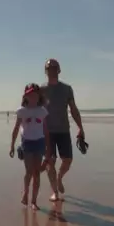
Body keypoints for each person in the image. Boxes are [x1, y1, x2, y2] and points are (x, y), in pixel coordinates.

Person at [41, 59, 85, 202]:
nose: (52, 70)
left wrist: (80, 128)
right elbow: (34, 110)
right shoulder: (41, 90)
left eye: (54, 68)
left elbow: (73, 109)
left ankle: (59, 177)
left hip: (63, 130)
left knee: (68, 160)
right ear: (45, 71)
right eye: (49, 68)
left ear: (59, 70)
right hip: (47, 132)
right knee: (50, 162)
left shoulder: (67, 89)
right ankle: (55, 192)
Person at [9, 83, 52, 210]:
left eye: (35, 95)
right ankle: (26, 192)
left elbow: (46, 130)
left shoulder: (42, 111)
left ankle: (34, 201)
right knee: (29, 171)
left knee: (37, 173)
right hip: (26, 143)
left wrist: (48, 149)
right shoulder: (22, 111)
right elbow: (16, 128)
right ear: (25, 96)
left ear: (39, 97)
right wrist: (11, 145)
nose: (32, 97)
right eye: (30, 95)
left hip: (39, 142)